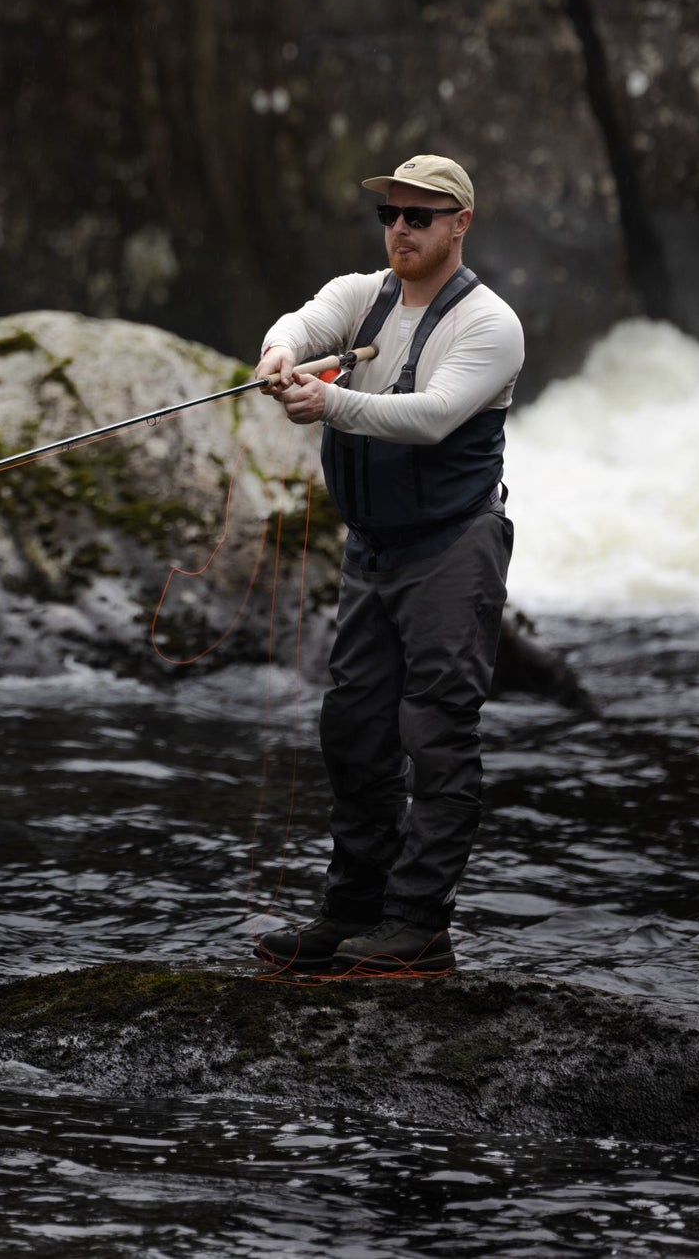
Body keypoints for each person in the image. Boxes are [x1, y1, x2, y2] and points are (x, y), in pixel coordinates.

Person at [251, 153, 524, 978]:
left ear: (459, 224)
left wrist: (326, 400)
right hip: (370, 548)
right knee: (354, 731)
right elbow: (298, 324)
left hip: (451, 547)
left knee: (435, 733)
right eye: (389, 216)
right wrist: (277, 357)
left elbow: (434, 417)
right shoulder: (358, 295)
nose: (399, 229)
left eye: (418, 216)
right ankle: (351, 911)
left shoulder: (489, 325)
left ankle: (418, 926)